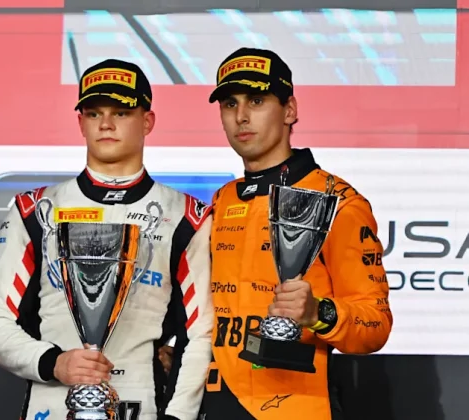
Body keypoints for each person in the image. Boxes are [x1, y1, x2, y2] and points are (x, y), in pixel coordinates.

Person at [163, 47, 394, 419]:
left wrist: (319, 312)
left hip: (295, 405)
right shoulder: (222, 199)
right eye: (230, 104)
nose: (241, 116)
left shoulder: (338, 202)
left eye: (256, 101)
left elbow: (375, 325)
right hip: (215, 403)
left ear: (290, 110)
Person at [0, 59, 214, 420]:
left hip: (143, 403)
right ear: (80, 123)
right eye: (94, 113)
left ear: (147, 121)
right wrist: (54, 363)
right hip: (51, 405)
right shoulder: (35, 211)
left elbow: (201, 334)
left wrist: (178, 416)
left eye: (121, 112)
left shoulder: (185, 216)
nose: (106, 124)